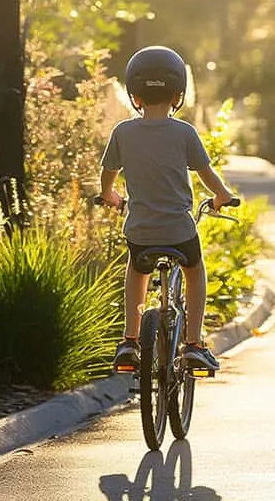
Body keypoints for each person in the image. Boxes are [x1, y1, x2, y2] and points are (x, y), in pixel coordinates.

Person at [101, 46, 237, 375]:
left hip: (140, 231)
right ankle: (193, 344)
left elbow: (108, 176)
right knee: (195, 269)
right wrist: (223, 195)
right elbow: (207, 175)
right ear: (178, 94)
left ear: (135, 95)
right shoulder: (184, 132)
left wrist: (109, 195)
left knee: (136, 269)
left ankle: (130, 340)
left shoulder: (122, 132)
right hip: (179, 230)